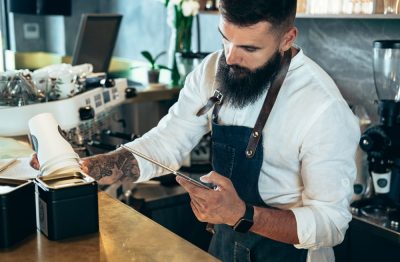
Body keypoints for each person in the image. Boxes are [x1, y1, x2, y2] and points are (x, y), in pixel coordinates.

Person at [31, 0, 360, 261]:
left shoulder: (322, 107)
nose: (230, 58)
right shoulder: (213, 69)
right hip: (224, 245)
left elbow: (331, 223)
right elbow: (166, 142)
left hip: (288, 255)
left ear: (287, 39)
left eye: (249, 49)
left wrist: (242, 214)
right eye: (225, 39)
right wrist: (90, 167)